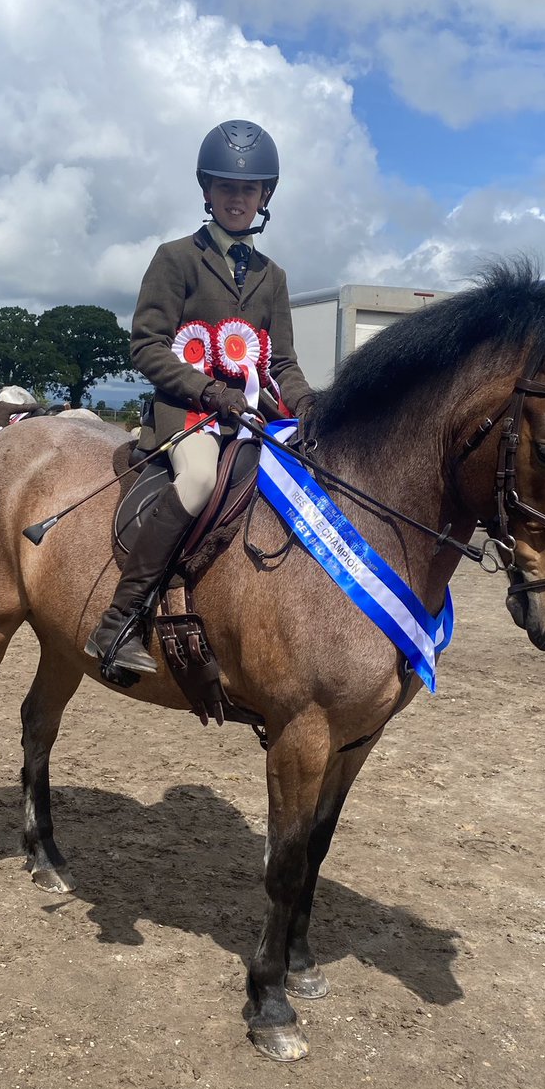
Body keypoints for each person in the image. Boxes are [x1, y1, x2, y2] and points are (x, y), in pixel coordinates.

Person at [86, 118, 314, 676]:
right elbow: (147, 345)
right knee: (199, 480)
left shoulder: (273, 276)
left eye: (249, 189)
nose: (238, 199)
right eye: (227, 187)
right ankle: (119, 621)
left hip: (250, 415)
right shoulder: (176, 258)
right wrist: (209, 391)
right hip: (186, 412)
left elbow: (280, 360)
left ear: (265, 197)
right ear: (208, 192)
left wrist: (310, 407)